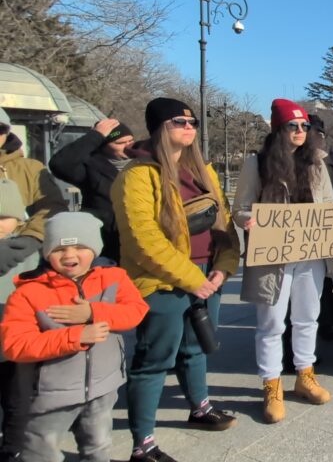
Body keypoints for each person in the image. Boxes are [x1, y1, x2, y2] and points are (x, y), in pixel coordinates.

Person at [112, 97, 240, 462]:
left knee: (196, 348)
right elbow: (142, 239)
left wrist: (225, 266)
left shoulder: (205, 171)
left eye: (193, 122)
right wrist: (189, 278)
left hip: (207, 275)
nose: (189, 127)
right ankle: (143, 444)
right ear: (158, 128)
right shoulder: (137, 174)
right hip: (162, 282)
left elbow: (224, 224)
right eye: (179, 122)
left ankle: (200, 408)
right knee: (153, 360)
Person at [1, 212, 148, 462]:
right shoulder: (29, 292)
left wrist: (92, 311)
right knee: (40, 452)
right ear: (47, 253)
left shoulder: (113, 277)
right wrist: (75, 335)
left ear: (95, 248)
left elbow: (136, 311)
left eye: (80, 247)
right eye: (60, 248)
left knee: (98, 446)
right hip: (50, 394)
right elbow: (15, 345)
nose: (70, 255)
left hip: (103, 387)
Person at [232, 99, 333, 424]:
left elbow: (329, 205)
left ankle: (305, 374)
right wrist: (248, 220)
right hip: (273, 256)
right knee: (271, 323)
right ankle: (272, 384)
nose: (300, 132)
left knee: (308, 316)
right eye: (293, 126)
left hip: (310, 253)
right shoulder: (258, 163)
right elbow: (240, 208)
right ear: (279, 129)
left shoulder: (317, 162)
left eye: (304, 126)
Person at [0, 107, 66, 461]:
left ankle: (13, 446)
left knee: (18, 373)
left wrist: (25, 241)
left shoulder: (28, 169)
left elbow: (51, 207)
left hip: (15, 280)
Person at [49, 118, 134, 262]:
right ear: (103, 145)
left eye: (130, 141)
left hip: (139, 238)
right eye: (120, 143)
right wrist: (96, 135)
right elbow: (60, 164)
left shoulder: (145, 161)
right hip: (107, 243)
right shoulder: (89, 167)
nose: (128, 147)